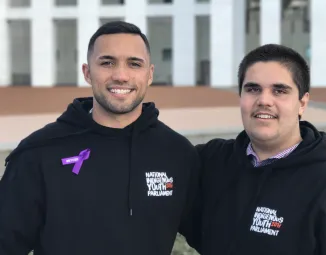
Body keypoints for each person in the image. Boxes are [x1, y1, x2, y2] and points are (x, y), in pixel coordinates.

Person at [0, 21, 199, 255]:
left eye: (134, 64)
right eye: (107, 63)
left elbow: (219, 235)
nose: (121, 75)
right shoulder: (39, 152)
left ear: (149, 75)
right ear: (87, 72)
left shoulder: (177, 154)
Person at [185, 44, 326, 255]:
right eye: (253, 89)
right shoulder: (211, 161)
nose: (264, 100)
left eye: (279, 90)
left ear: (302, 103)